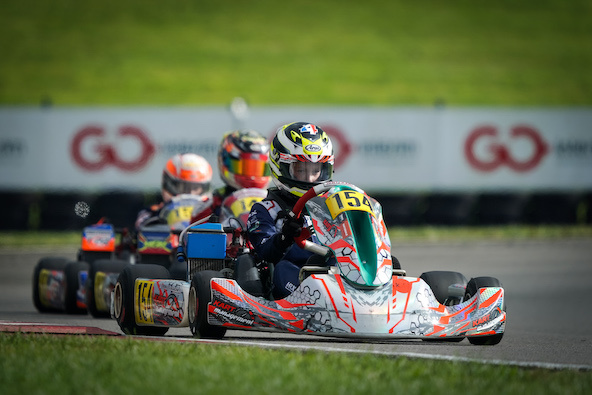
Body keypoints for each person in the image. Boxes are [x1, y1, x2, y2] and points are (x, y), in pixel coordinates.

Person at [246, 122, 334, 299]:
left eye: (316, 170)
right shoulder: (266, 209)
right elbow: (265, 251)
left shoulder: (332, 204)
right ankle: (311, 302)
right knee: (282, 269)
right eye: (301, 169)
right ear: (281, 166)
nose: (310, 178)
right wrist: (284, 237)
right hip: (295, 272)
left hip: (334, 267)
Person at [191, 129, 271, 222]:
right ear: (224, 161)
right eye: (244, 167)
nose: (252, 176)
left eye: (257, 168)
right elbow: (193, 233)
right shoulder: (212, 204)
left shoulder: (276, 202)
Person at [135, 153, 213, 229]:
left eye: (195, 188)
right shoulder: (152, 214)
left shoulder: (213, 213)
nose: (190, 193)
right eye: (183, 187)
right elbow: (140, 230)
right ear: (168, 184)